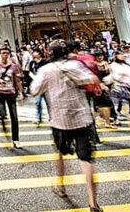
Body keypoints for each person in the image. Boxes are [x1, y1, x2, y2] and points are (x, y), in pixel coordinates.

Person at [31, 40, 103, 212]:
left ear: (49, 54)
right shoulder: (75, 65)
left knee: (60, 153)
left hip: (60, 120)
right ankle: (93, 203)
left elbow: (34, 91)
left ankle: (61, 186)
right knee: (86, 159)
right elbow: (92, 79)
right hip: (82, 117)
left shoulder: (45, 70)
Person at [0, 46, 24, 148]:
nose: (5, 55)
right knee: (2, 113)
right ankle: (3, 122)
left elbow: (17, 81)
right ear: (0, 54)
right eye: (3, 53)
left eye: (7, 53)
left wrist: (21, 93)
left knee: (14, 117)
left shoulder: (13, 66)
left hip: (11, 93)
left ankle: (16, 139)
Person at [109, 51, 130, 130]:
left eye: (123, 55)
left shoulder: (127, 65)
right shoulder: (113, 65)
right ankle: (114, 117)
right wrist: (121, 75)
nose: (122, 56)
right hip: (121, 86)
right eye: (120, 55)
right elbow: (114, 76)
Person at [28, 50, 46, 125]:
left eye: (35, 52)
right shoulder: (32, 62)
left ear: (39, 53)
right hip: (37, 84)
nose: (33, 53)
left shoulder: (45, 61)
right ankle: (38, 118)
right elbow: (30, 71)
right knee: (37, 102)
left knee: (49, 102)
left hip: (45, 84)